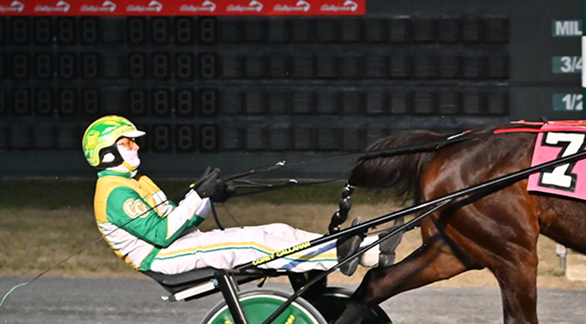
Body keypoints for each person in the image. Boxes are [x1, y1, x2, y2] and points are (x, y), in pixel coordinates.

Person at [83, 115, 392, 277]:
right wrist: (196, 193)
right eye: (127, 143)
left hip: (179, 243)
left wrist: (209, 198)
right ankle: (347, 255)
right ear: (106, 153)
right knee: (252, 245)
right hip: (161, 259)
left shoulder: (137, 181)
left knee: (277, 231)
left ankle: (356, 247)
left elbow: (178, 221)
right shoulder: (114, 193)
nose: (136, 147)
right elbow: (162, 235)